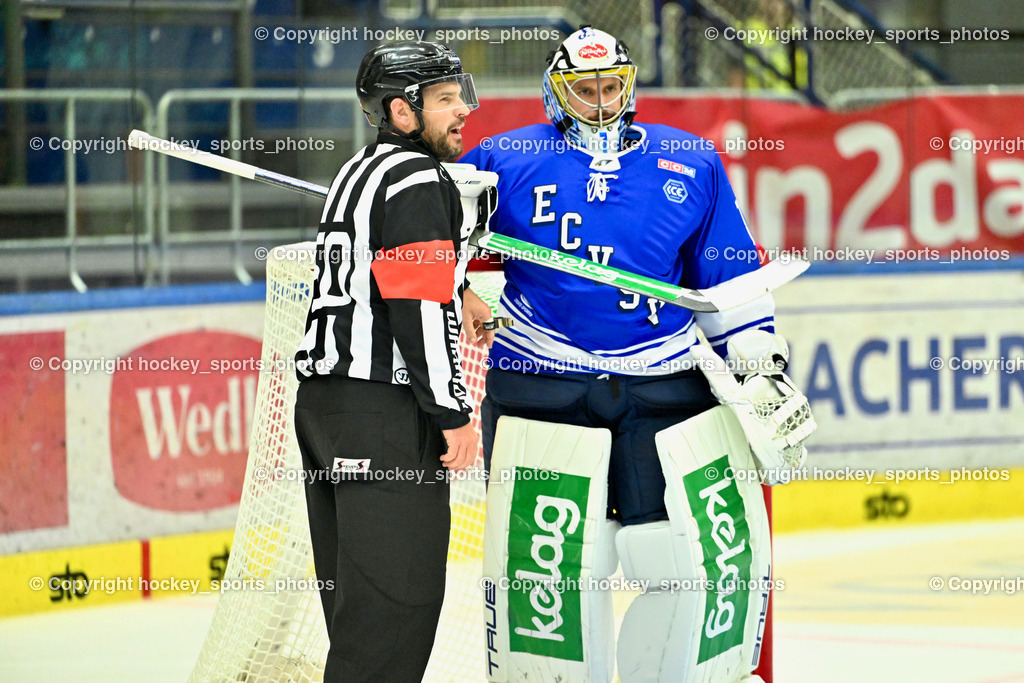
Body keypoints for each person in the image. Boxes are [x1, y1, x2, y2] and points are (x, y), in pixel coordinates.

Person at [460, 26, 805, 682]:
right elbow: (443, 241)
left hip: (663, 383)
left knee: (683, 558)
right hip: (543, 380)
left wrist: (759, 365)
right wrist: (465, 286)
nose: (599, 101)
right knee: (554, 570)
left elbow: (727, 276)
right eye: (584, 88)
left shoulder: (692, 161)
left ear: (631, 86)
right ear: (555, 91)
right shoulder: (501, 159)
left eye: (611, 86)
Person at [293, 40, 493, 683]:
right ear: (402, 113)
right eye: (444, 100)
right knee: (391, 620)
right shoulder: (413, 177)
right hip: (382, 415)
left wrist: (458, 283)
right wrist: (455, 413)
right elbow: (416, 310)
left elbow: (389, 277)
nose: (462, 109)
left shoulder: (355, 173)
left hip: (326, 415)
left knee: (360, 619)